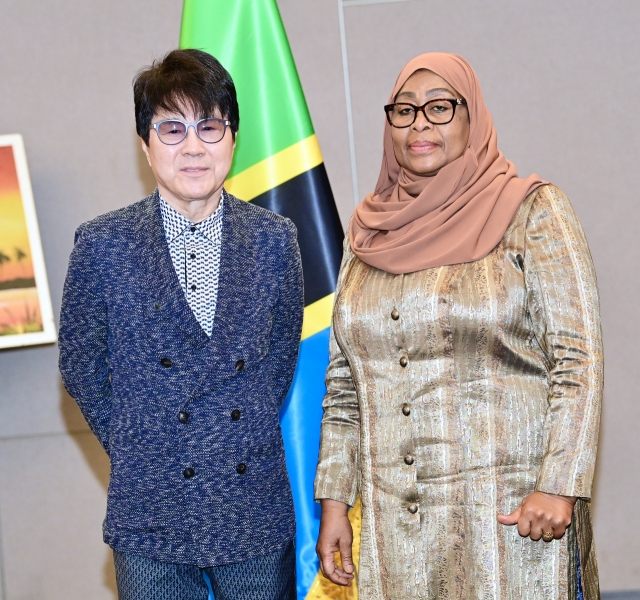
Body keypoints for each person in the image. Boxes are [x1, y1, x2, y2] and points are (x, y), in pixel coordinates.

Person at [314, 53, 602, 600]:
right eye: (404, 110)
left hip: (510, 523)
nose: (420, 123)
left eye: (440, 107)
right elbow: (344, 387)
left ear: (473, 120)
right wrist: (334, 504)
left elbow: (577, 361)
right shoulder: (366, 236)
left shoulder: (533, 212)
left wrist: (559, 486)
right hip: (394, 529)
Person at [59, 49, 302, 600]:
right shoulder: (102, 244)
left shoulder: (274, 240)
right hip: (150, 508)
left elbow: (279, 357)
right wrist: (138, 442)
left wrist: (236, 433)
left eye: (209, 127)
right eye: (172, 128)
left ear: (233, 139)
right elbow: (80, 362)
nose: (193, 146)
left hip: (252, 506)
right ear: (145, 144)